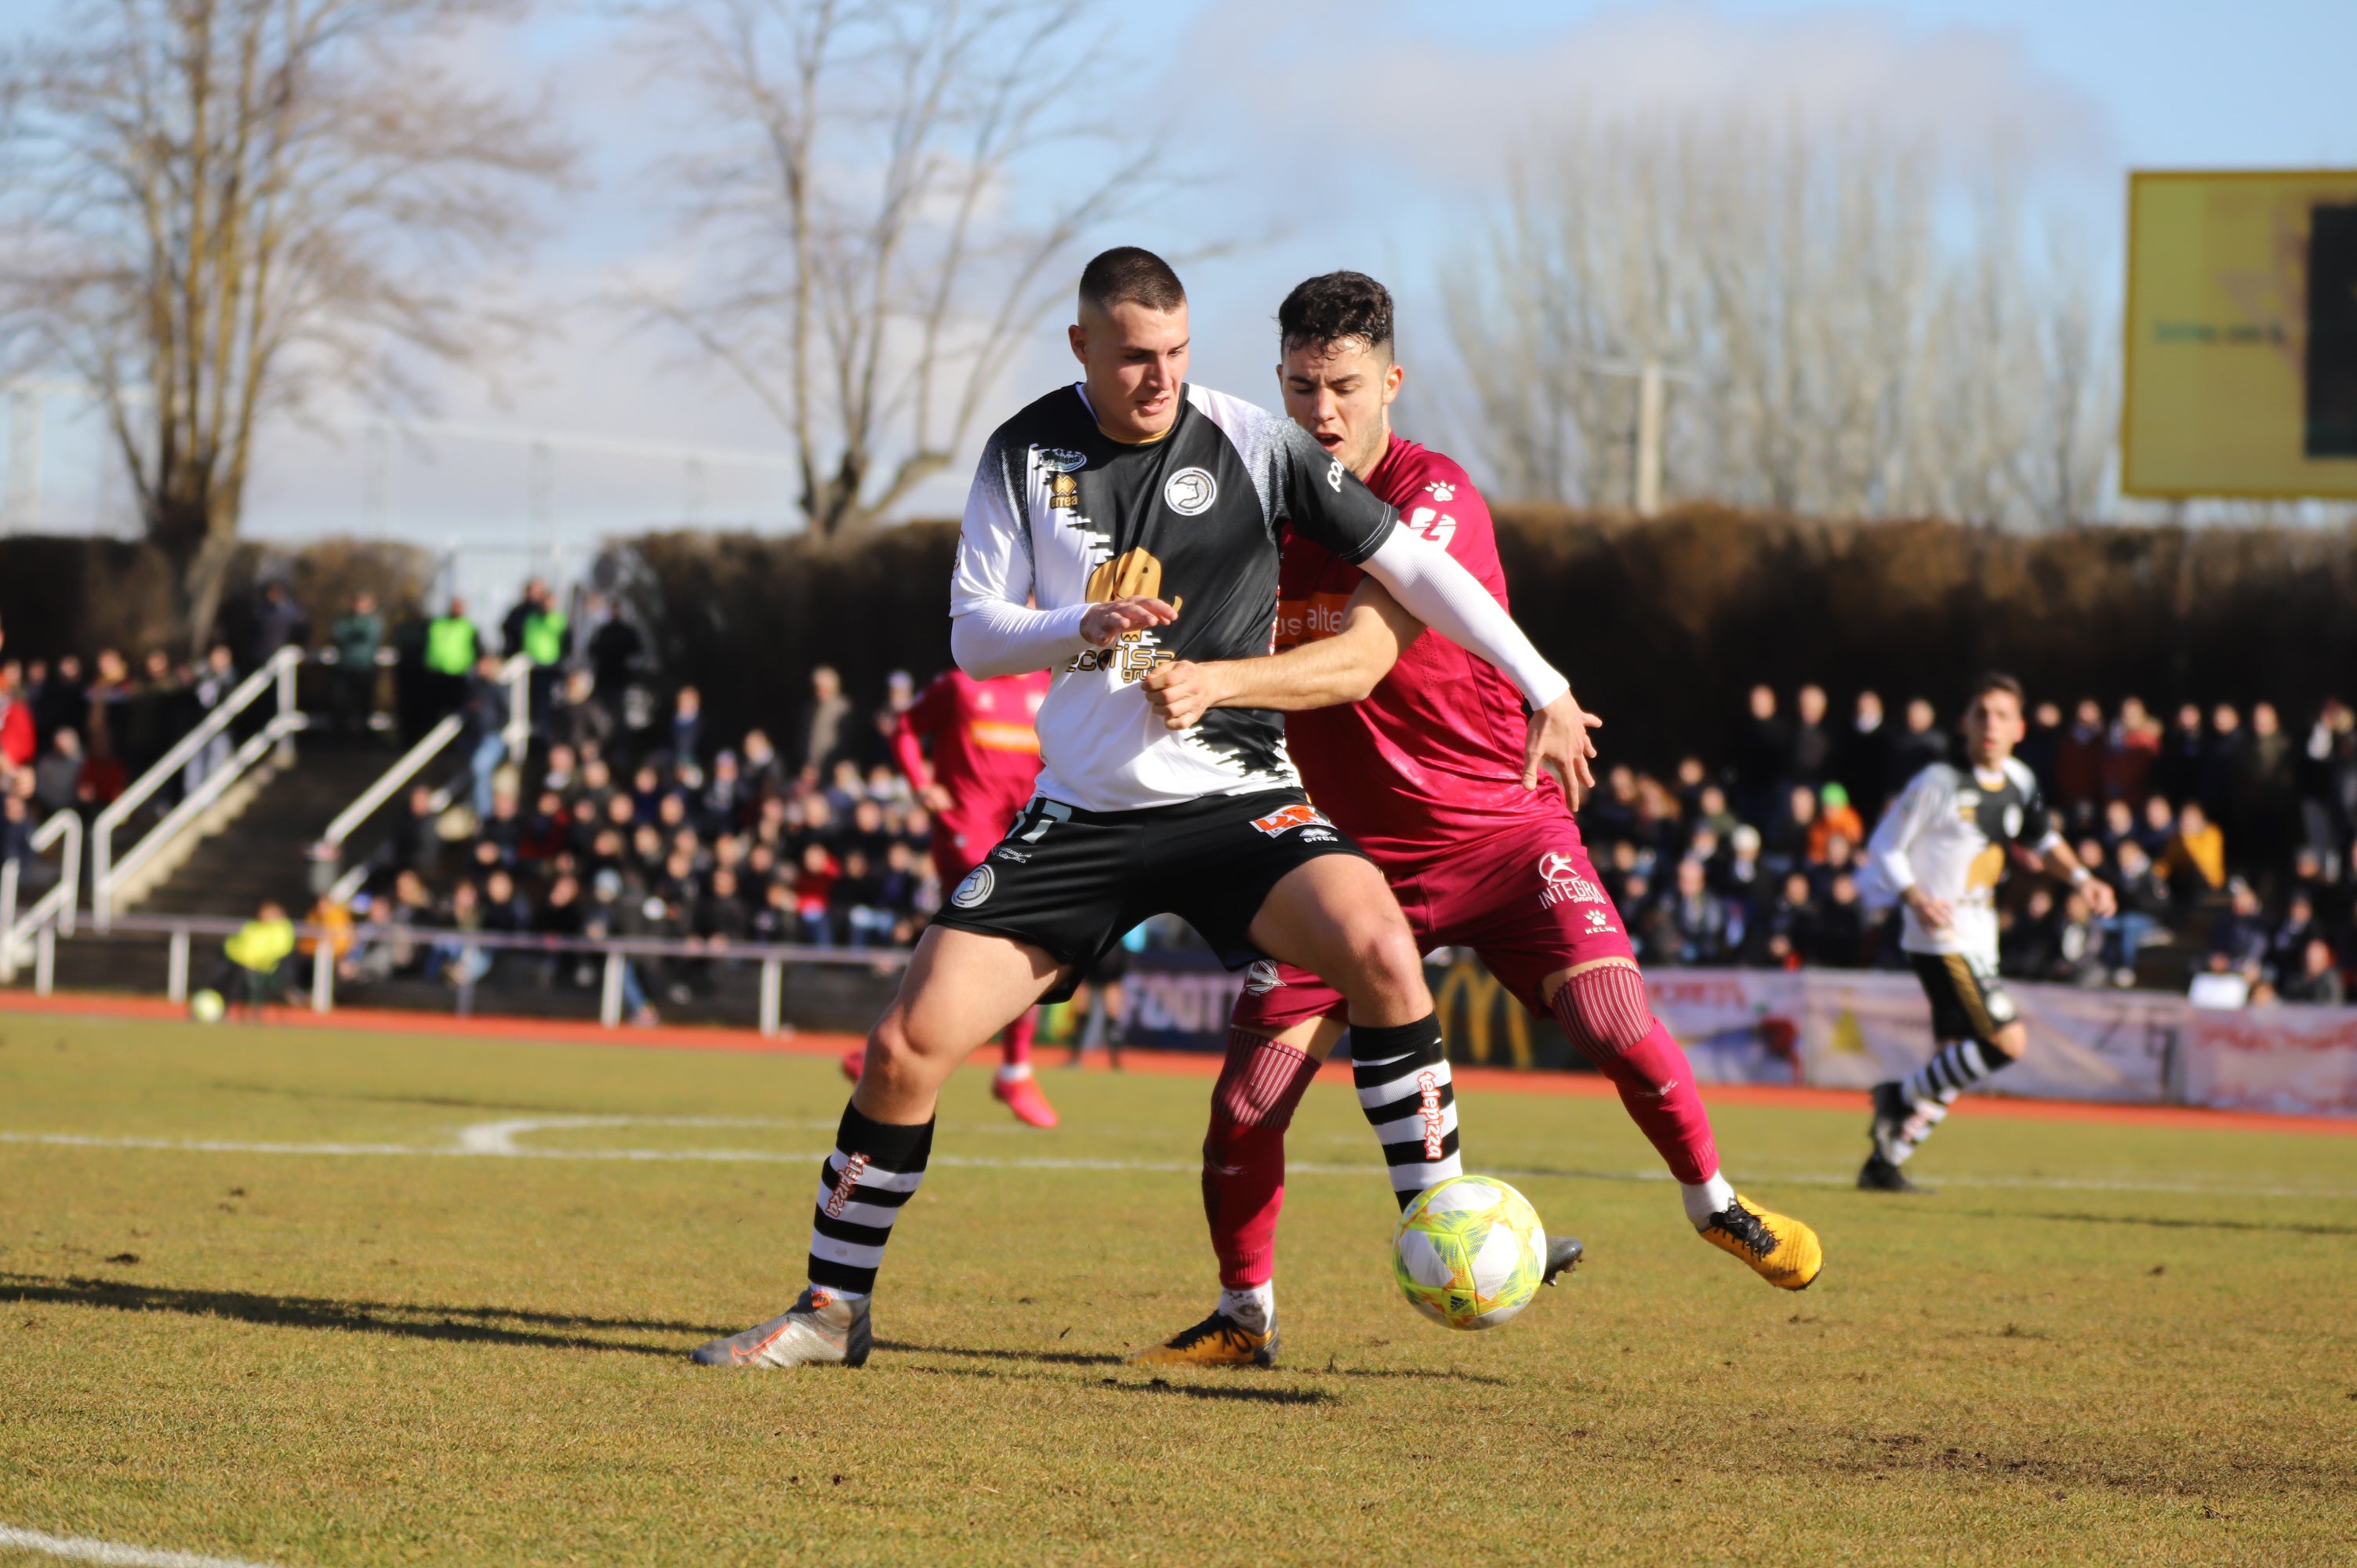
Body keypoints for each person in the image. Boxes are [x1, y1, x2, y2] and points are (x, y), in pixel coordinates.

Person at [689, 246, 1596, 1372]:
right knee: (901, 1051)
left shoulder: (1253, 442)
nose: (1158, 379)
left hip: (1236, 800)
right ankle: (830, 1313)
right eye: (1132, 358)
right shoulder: (1022, 452)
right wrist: (1080, 628)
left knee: (1378, 944)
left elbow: (1420, 571)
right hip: (1083, 815)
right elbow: (973, 634)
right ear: (1081, 348)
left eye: (1174, 353)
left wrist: (1543, 687)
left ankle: (1442, 1219)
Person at [1118, 270, 1818, 1367]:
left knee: (1616, 1026)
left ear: (1389, 382)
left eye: (1343, 386)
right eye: (1300, 387)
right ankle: (1243, 1317)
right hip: (1337, 863)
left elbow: (1354, 664)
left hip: (1499, 832)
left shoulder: (1429, 494)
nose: (1321, 414)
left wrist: (1210, 678)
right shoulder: (1250, 512)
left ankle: (1713, 1203)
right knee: (1246, 1105)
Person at [1858, 674, 2115, 1192]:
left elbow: (2045, 841)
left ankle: (1885, 1161)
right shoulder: (1937, 782)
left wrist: (2084, 879)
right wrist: (1916, 898)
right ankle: (1897, 1096)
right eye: (1981, 714)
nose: (1990, 725)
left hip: (1980, 936)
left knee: (1954, 1058)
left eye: (2002, 715)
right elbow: (1885, 846)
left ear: (2020, 728)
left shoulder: (2020, 780)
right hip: (1940, 936)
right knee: (2006, 1042)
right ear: (1965, 724)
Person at [842, 658, 1058, 1127]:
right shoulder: (962, 685)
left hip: (1028, 831)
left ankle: (888, 1045)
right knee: (1005, 934)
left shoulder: (1057, 684)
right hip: (967, 831)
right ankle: (1013, 1069)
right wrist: (921, 786)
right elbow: (904, 728)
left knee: (987, 947)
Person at [329, 593, 384, 734]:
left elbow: (370, 634)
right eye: (359, 603)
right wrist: (356, 630)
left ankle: (364, 738)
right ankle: (340, 737)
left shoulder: (374, 620)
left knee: (365, 704)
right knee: (341, 704)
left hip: (366, 668)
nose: (360, 607)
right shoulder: (344, 619)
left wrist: (360, 624)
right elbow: (338, 634)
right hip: (346, 667)